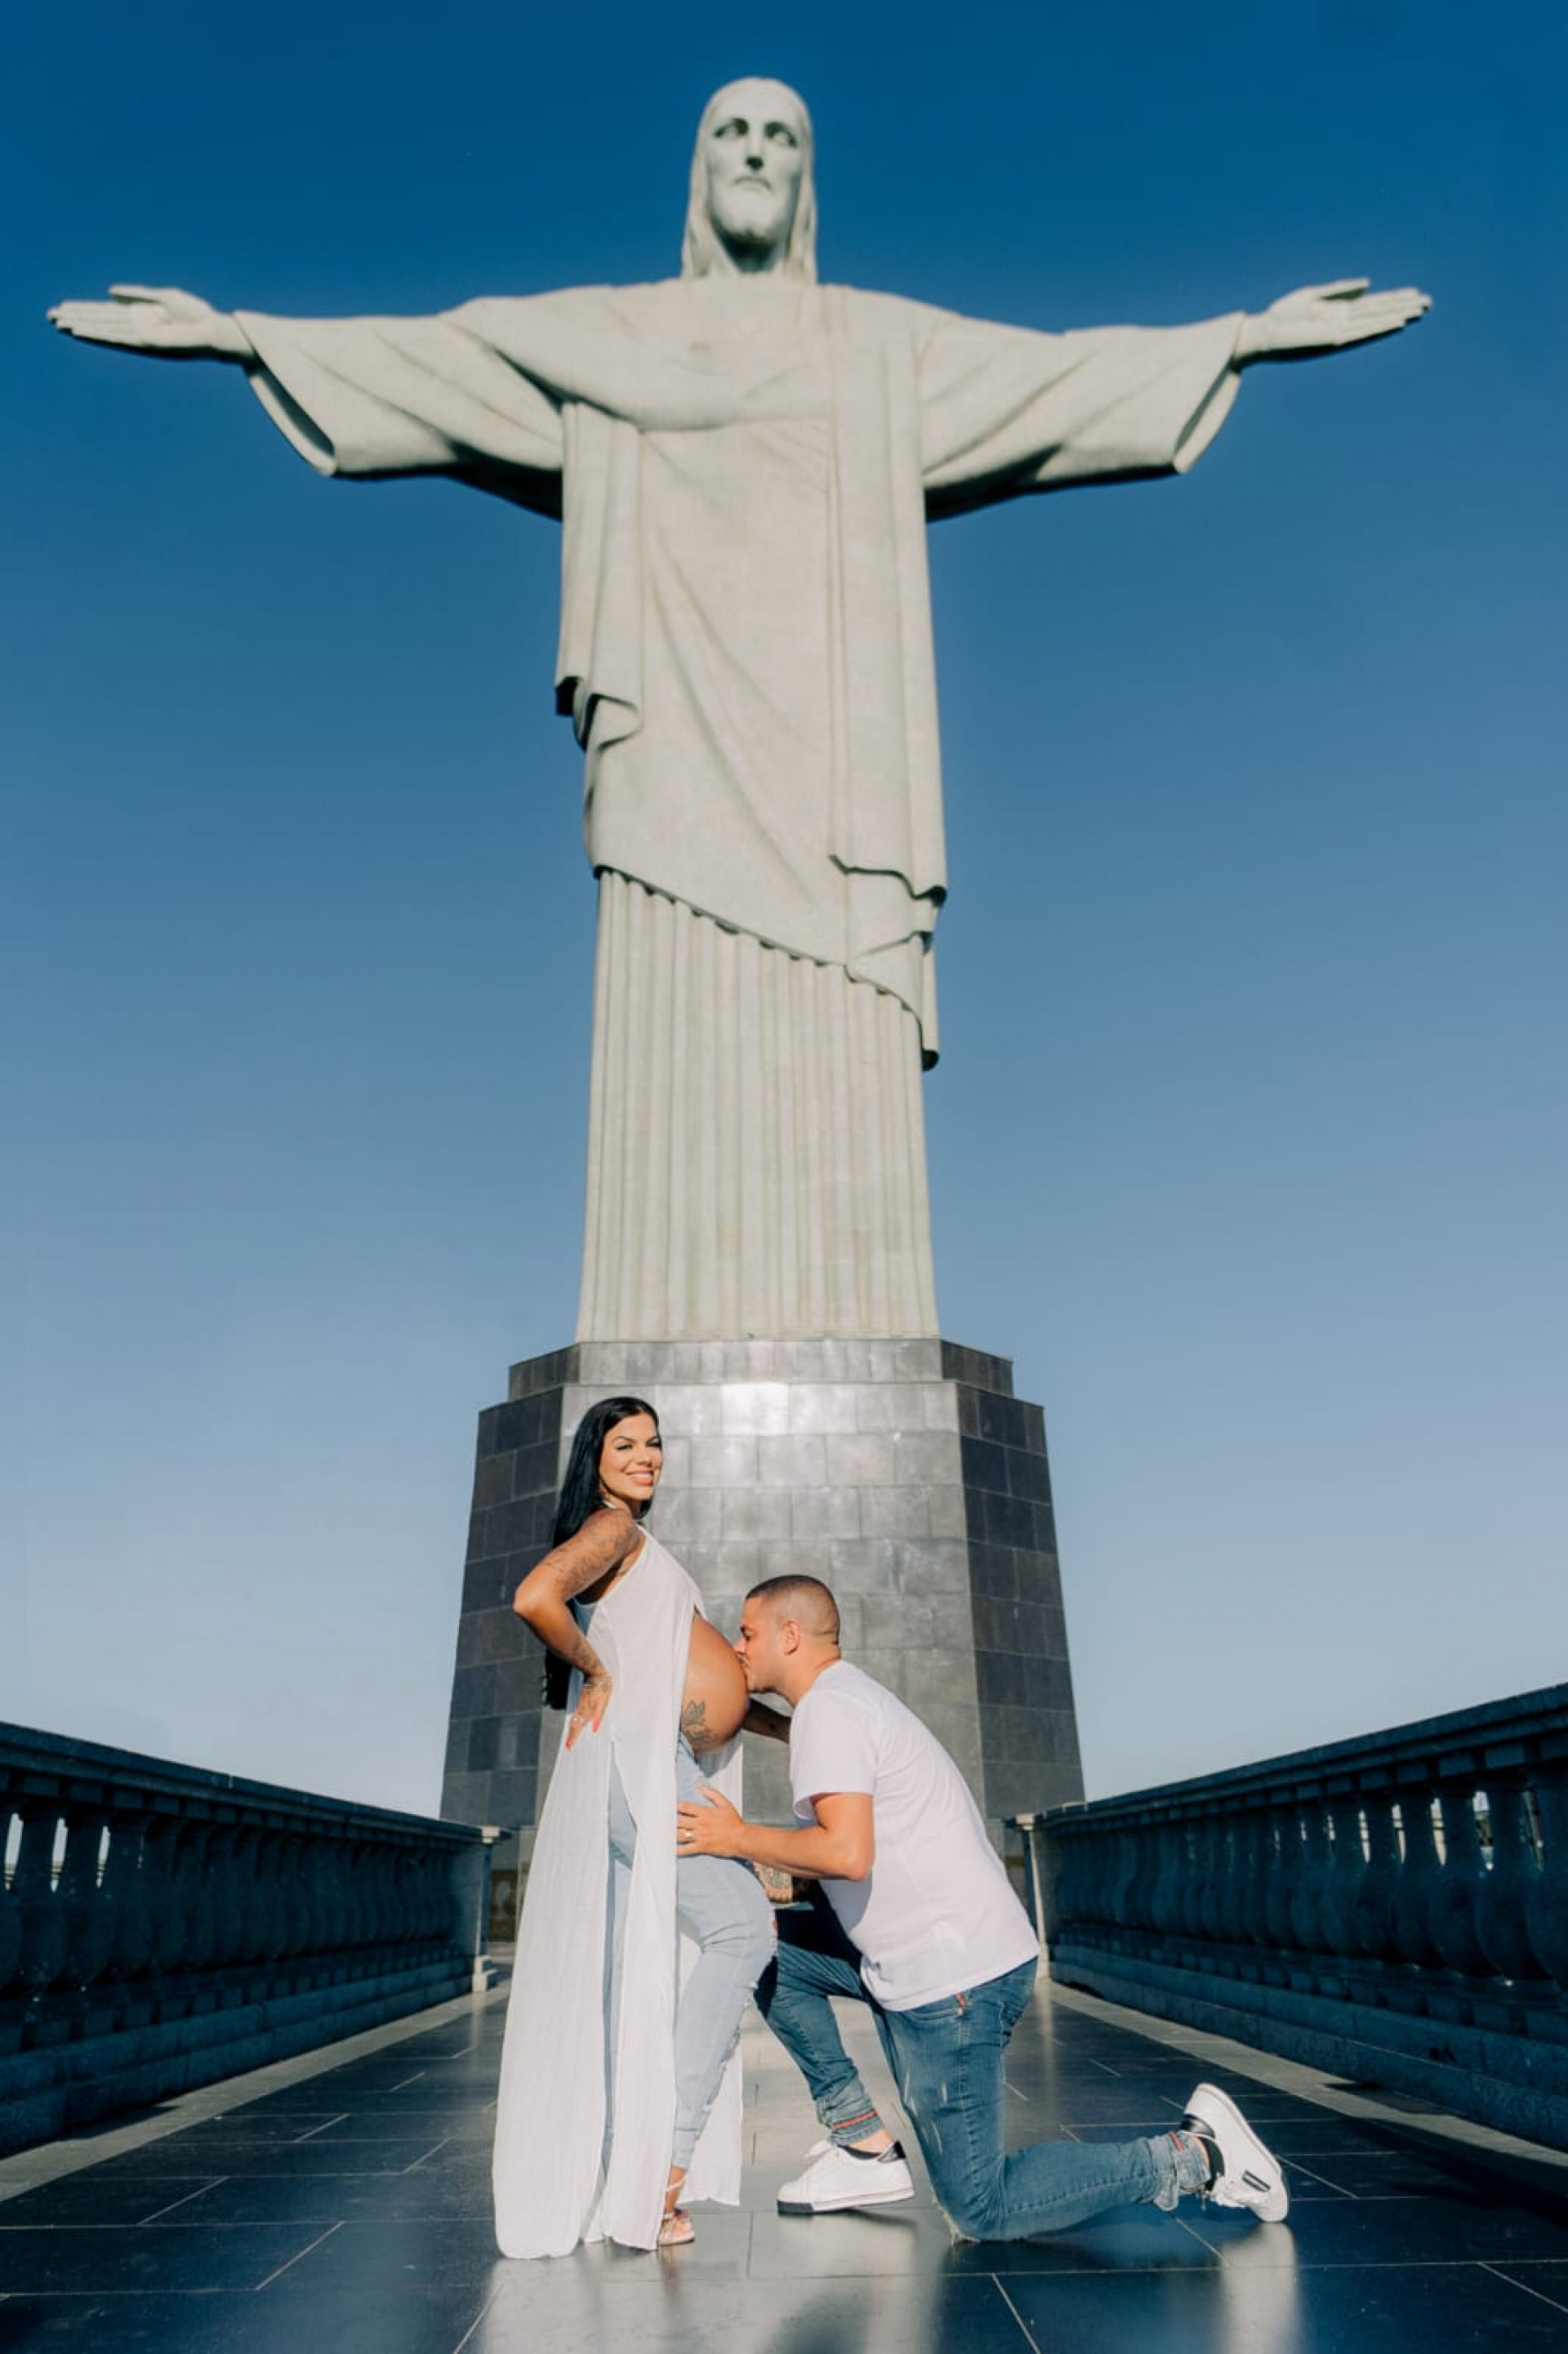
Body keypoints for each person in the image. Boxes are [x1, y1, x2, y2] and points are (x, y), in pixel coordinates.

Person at [47, 80, 1428, 1347]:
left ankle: (859, 1310)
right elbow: (447, 359)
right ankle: (654, 1306)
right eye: (732, 134)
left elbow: (1054, 375)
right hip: (676, 761)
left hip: (839, 775)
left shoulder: (879, 348)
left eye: (782, 137)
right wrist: (242, 338)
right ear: (698, 173)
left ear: (807, 180)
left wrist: (1237, 337)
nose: (756, 155)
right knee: (670, 1040)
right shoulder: (613, 334)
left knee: (844, 1028)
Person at [676, 1575, 1289, 2238]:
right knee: (766, 1945)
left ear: (789, 1636)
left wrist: (736, 1837)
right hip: (930, 1957)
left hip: (955, 1981)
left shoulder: (833, 1711)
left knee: (980, 2208)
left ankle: (1198, 2156)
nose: (737, 1648)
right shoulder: (843, 1702)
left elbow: (848, 1854)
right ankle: (860, 2142)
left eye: (747, 1633)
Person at [492, 1396, 773, 2256]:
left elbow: (693, 1675)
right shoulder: (612, 1528)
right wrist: (596, 1670)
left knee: (645, 1971)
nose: (647, 1454)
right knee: (743, 1926)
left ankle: (641, 2167)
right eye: (627, 1442)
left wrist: (804, 1723)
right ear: (597, 1455)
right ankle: (663, 2167)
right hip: (641, 1773)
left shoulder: (637, 1541)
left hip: (660, 1766)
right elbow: (536, 1595)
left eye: (656, 1441)